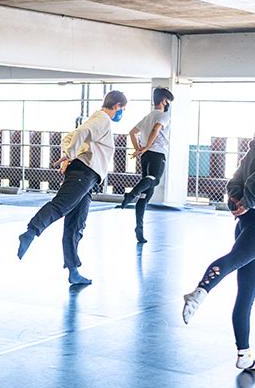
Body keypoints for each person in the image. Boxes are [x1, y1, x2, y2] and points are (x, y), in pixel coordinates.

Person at [181, 106, 255, 373]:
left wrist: (237, 200)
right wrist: (249, 199)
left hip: (251, 218)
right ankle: (200, 291)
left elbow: (236, 179)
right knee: (234, 262)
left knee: (247, 293)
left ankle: (244, 355)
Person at [16, 91, 127, 285]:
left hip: (88, 178)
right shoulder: (102, 119)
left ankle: (73, 270)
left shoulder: (97, 119)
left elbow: (72, 135)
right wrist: (68, 155)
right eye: (122, 109)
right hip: (83, 174)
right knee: (61, 206)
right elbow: (81, 133)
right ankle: (31, 232)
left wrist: (69, 153)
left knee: (75, 224)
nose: (122, 113)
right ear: (117, 105)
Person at [118, 87, 174, 243]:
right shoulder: (164, 115)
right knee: (154, 180)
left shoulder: (148, 116)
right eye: (168, 100)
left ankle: (139, 229)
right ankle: (131, 194)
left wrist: (139, 149)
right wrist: (148, 146)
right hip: (156, 154)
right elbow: (157, 129)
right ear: (164, 101)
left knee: (146, 194)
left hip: (146, 156)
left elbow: (131, 132)